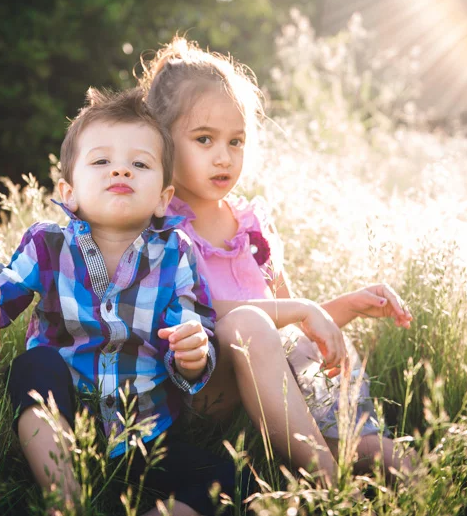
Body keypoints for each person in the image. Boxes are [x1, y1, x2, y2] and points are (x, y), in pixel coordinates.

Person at [0, 87, 252, 516]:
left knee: (232, 480)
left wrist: (193, 353)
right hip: (65, 419)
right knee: (34, 367)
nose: (121, 171)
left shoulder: (176, 253)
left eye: (139, 164)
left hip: (146, 436)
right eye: (102, 161)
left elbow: (194, 324)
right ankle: (65, 496)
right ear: (69, 191)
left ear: (164, 197)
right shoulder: (47, 245)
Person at [139, 35, 417, 484]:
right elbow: (202, 311)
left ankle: (434, 493)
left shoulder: (251, 226)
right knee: (246, 324)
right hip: (199, 394)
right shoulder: (159, 227)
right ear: (162, 142)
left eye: (236, 141)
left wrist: (345, 306)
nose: (223, 156)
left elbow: (287, 330)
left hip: (273, 390)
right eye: (204, 139)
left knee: (381, 451)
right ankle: (330, 487)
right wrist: (303, 309)